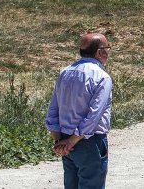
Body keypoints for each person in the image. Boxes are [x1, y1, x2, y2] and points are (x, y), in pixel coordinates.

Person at [45, 32, 113, 189]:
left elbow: (53, 110)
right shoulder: (101, 77)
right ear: (99, 51)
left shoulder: (65, 72)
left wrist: (59, 141)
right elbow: (93, 116)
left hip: (65, 140)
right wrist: (72, 141)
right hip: (89, 142)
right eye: (107, 48)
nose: (108, 53)